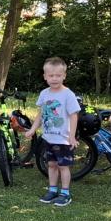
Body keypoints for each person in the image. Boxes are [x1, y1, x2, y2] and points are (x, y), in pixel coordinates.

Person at [30, 57, 81, 207]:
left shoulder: (68, 94)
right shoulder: (44, 93)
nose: (54, 78)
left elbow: (74, 115)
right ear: (45, 76)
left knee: (63, 166)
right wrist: (33, 129)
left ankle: (65, 193)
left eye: (58, 75)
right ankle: (52, 190)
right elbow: (41, 113)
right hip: (48, 138)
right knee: (51, 164)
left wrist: (72, 136)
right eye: (51, 75)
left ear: (64, 76)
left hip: (64, 139)